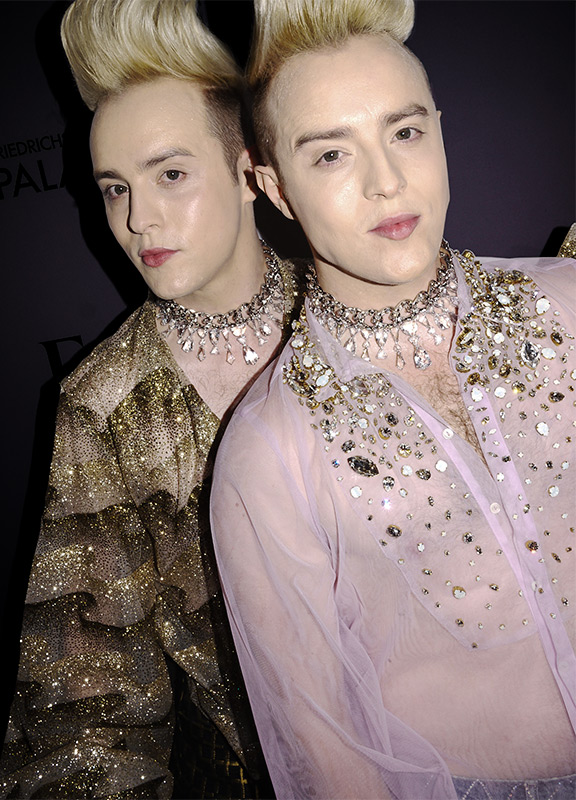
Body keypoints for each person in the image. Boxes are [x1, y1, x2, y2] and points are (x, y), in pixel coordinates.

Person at [209, 0, 576, 798]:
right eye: (332, 155)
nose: (387, 182)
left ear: (439, 131)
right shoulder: (266, 454)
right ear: (274, 188)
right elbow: (327, 752)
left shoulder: (572, 305)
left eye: (405, 132)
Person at [0, 1, 302, 797]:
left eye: (170, 174)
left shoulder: (352, 320)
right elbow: (87, 714)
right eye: (113, 189)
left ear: (248, 170)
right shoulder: (102, 408)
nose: (136, 219)